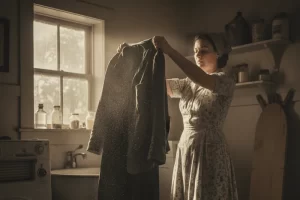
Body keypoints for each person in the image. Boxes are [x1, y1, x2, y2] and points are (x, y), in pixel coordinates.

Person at [117, 33, 238, 200]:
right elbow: (156, 83)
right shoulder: (188, 83)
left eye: (204, 50)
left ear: (218, 53)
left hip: (210, 150)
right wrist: (134, 59)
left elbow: (201, 78)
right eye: (195, 51)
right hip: (186, 147)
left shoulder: (225, 81)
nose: (198, 55)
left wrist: (170, 51)